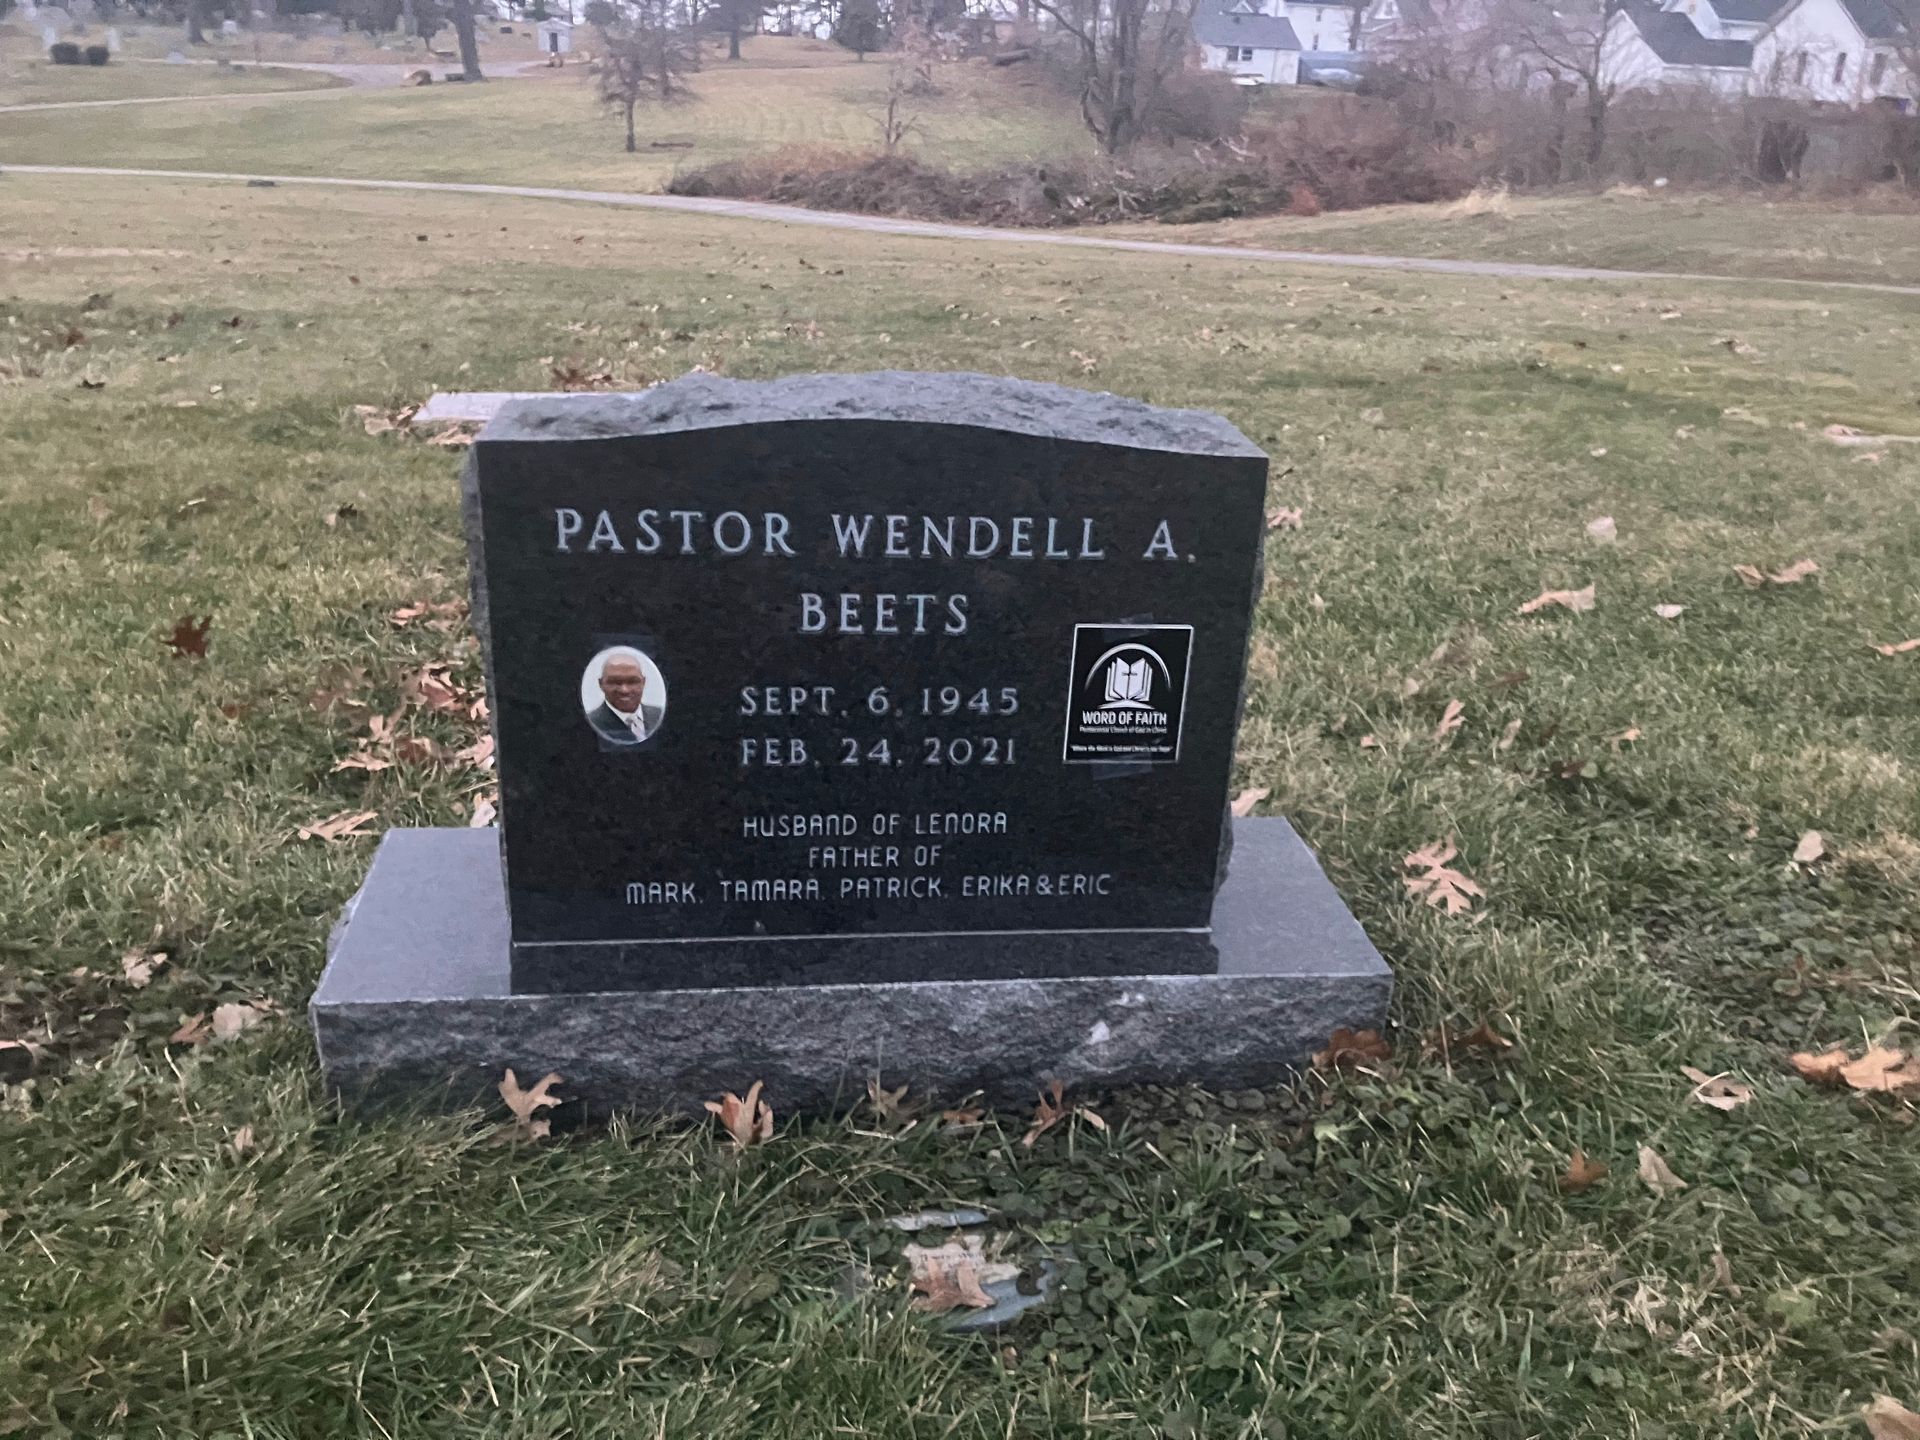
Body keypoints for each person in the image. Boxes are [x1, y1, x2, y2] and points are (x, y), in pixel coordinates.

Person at [585, 651, 663, 746]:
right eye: (614, 682)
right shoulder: (591, 723)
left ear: (643, 682)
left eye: (633, 681)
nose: (624, 690)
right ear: (601, 684)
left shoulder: (659, 716)